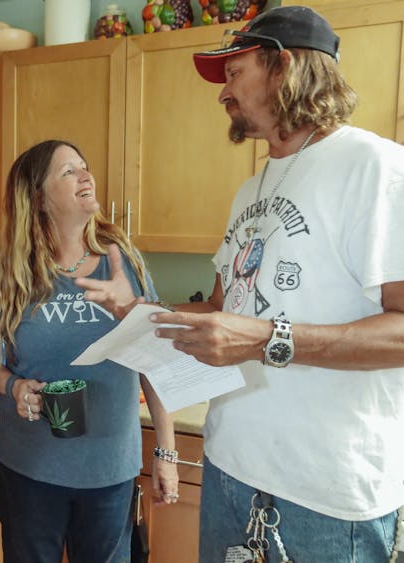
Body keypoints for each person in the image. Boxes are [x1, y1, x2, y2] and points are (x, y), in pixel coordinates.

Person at [77, 6, 404, 561]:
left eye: (234, 73)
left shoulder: (377, 168)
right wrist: (138, 309)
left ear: (285, 67)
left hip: (325, 496)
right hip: (231, 470)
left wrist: (262, 338)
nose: (222, 94)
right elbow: (224, 311)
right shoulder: (250, 190)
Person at [0, 139, 179, 563]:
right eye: (67, 171)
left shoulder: (123, 263)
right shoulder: (9, 272)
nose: (86, 175)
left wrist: (166, 453)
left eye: (84, 166)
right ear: (38, 199)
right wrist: (13, 386)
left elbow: (154, 364)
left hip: (109, 471)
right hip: (29, 470)